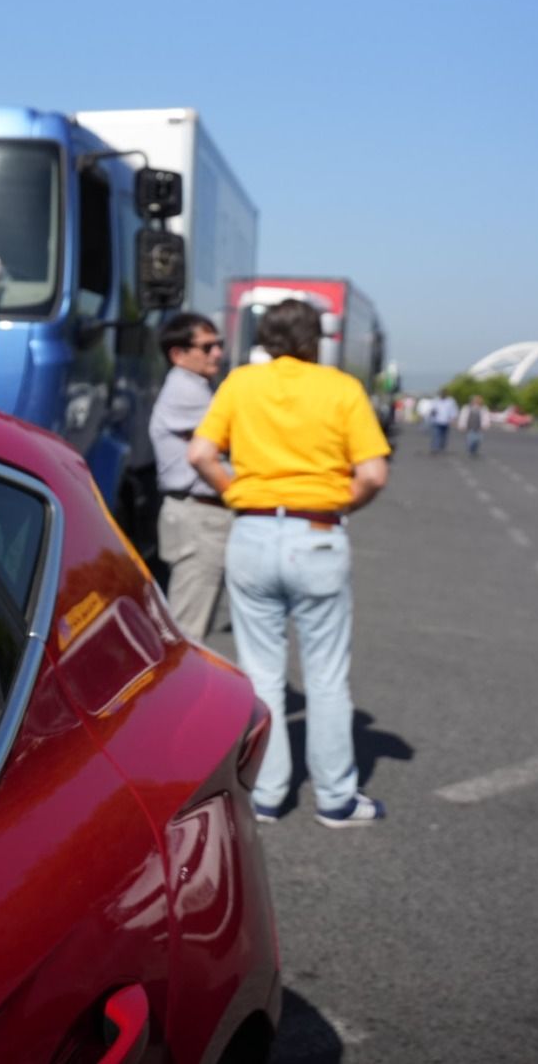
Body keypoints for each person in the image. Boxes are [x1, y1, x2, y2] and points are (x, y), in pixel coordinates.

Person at [187, 299, 391, 827]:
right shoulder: (341, 388)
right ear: (315, 340)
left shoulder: (238, 384)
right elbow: (372, 473)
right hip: (317, 532)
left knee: (261, 674)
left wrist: (239, 493)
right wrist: (337, 502)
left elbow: (201, 455)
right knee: (325, 677)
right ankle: (336, 798)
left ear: (264, 339)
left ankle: (267, 794)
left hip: (252, 532)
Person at [148, 312, 230, 638]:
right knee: (187, 637)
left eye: (219, 345)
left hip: (197, 514)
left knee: (189, 626)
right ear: (178, 354)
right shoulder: (187, 391)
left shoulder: (195, 387)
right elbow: (245, 434)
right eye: (207, 347)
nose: (217, 353)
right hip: (198, 516)